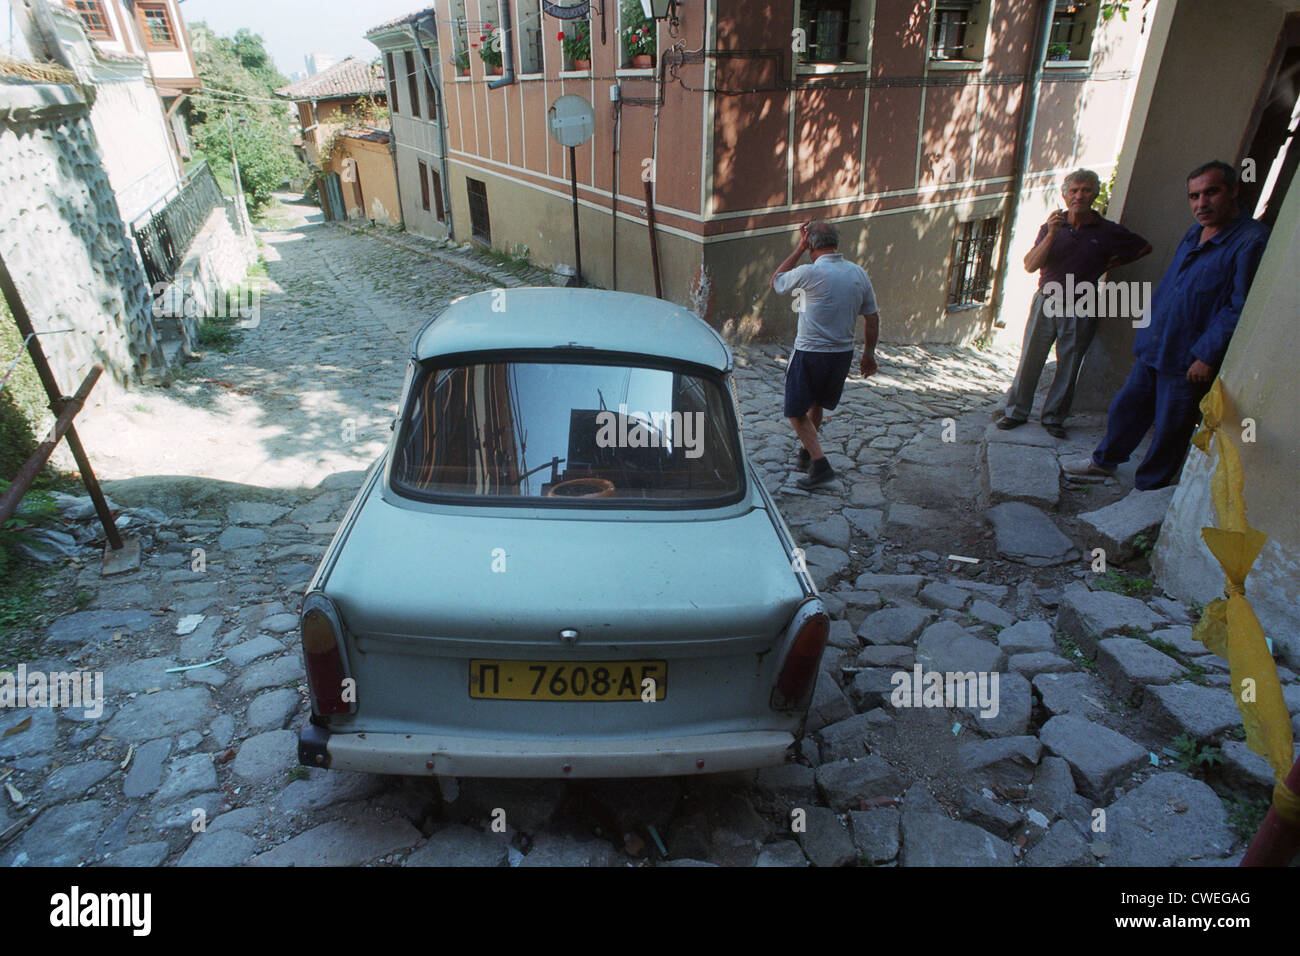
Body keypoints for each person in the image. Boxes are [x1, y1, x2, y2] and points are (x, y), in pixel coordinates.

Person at [1064, 160, 1270, 489]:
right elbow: (1173, 286)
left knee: (1171, 425)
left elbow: (1240, 305)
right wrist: (1148, 330)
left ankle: (1148, 489)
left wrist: (1206, 354)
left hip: (1189, 356)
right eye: (1194, 196)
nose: (1201, 203)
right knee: (1126, 407)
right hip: (1158, 344)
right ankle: (1104, 462)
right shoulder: (1195, 232)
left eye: (1211, 192)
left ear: (1233, 191)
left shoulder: (1250, 240)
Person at [998, 169, 1152, 439]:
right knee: (1030, 360)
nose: (1079, 195)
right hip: (1047, 300)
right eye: (1074, 190)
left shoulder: (1107, 231)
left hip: (1082, 302)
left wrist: (1110, 263)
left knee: (1069, 365)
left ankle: (1054, 418)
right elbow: (1030, 265)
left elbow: (1143, 247)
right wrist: (1052, 234)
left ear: (1096, 194)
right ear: (1065, 194)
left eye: (1086, 190)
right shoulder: (1050, 227)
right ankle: (1015, 413)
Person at [771, 220, 879, 489]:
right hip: (842, 354)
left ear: (811, 245)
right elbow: (872, 317)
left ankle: (820, 466)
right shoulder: (858, 273)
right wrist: (869, 354)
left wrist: (798, 249)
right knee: (816, 404)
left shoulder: (808, 273)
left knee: (795, 411)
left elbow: (777, 282)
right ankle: (807, 452)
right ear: (836, 243)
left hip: (810, 352)